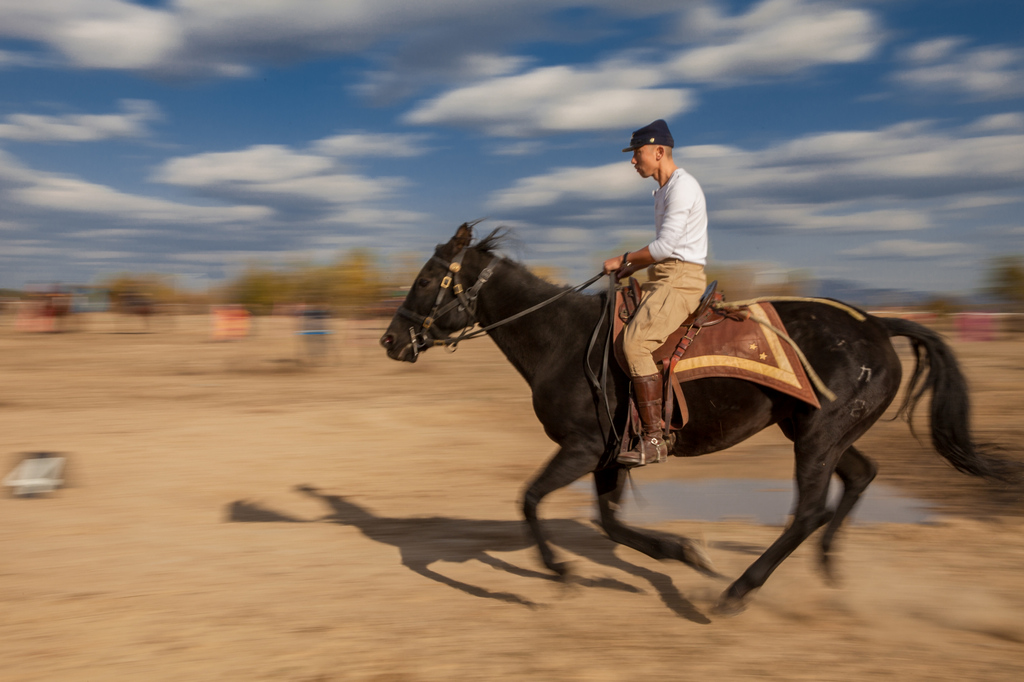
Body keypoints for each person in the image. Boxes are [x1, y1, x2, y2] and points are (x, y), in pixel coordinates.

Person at [603, 119, 708, 467]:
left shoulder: (682, 187)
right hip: (664, 277)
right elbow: (664, 252)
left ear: (658, 152)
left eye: (637, 153)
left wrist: (625, 258)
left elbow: (665, 248)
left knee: (634, 344)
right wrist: (631, 268)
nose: (633, 160)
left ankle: (654, 438)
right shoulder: (662, 190)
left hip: (681, 282)